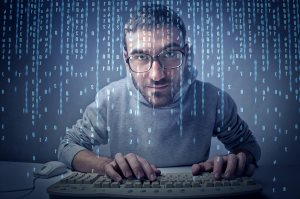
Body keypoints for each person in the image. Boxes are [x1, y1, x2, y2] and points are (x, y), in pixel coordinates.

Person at [58, 4, 261, 182]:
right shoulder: (109, 99)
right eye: (140, 56)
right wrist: (104, 165)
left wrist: (239, 160)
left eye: (170, 54)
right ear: (125, 59)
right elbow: (67, 146)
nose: (157, 75)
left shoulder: (213, 100)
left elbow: (249, 147)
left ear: (186, 53)